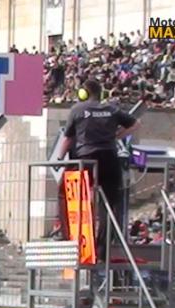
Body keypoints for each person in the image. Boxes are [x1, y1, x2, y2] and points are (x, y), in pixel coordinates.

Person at [60, 79, 141, 258]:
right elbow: (136, 124)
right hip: (109, 158)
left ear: (83, 94)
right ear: (101, 94)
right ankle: (102, 248)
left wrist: (60, 158)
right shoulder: (111, 109)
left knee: (74, 198)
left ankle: (77, 241)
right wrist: (118, 136)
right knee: (110, 204)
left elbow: (68, 138)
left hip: (85, 160)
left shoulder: (77, 109)